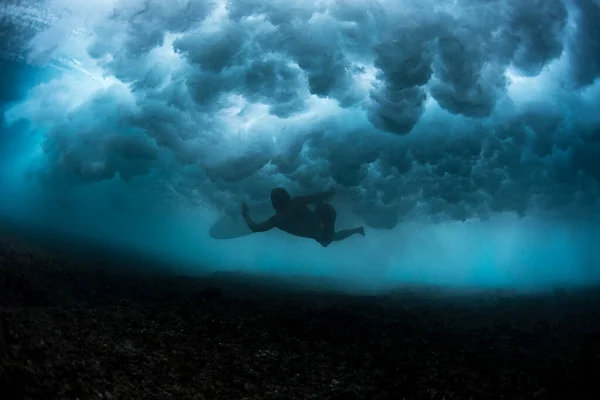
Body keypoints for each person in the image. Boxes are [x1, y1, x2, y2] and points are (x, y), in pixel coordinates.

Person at [241, 187, 365, 247]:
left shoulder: (276, 220)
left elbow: (255, 227)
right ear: (287, 197)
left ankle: (356, 230)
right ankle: (357, 230)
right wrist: (330, 192)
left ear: (274, 203)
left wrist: (245, 214)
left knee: (331, 236)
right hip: (323, 226)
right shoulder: (294, 203)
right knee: (332, 235)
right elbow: (316, 197)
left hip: (320, 232)